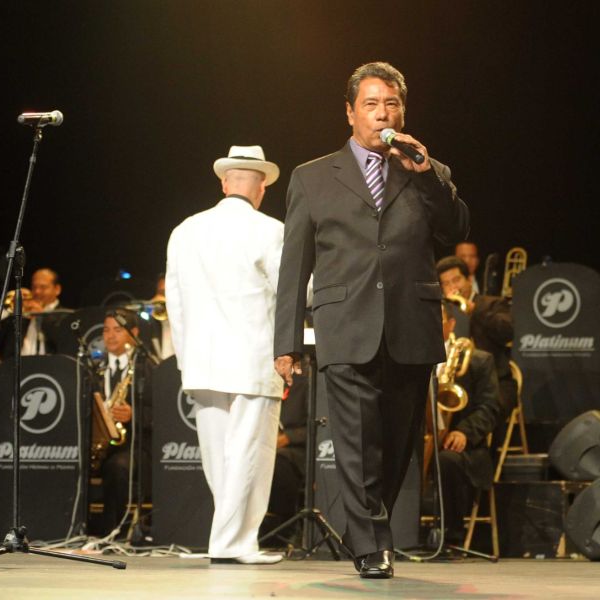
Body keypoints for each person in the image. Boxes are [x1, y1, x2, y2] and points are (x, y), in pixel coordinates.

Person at [274, 61, 469, 578]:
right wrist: (286, 342)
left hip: (411, 325)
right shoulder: (312, 177)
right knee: (357, 443)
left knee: (397, 445)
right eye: (371, 104)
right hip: (345, 325)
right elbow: (294, 267)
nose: (382, 113)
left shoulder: (426, 170)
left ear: (402, 112)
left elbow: (456, 230)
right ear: (350, 112)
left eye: (391, 104)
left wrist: (428, 176)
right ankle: (370, 544)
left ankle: (370, 529)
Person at [166, 145, 285, 565]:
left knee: (220, 458)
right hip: (252, 357)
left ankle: (229, 538)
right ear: (261, 187)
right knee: (250, 454)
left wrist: (185, 359)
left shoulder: (185, 230)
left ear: (224, 184)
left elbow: (174, 303)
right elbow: (293, 293)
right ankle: (233, 542)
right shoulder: (271, 230)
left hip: (202, 359)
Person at [431, 304, 501, 547]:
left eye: (437, 318)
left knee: (447, 460)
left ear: (451, 324)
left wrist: (464, 431)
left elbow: (490, 408)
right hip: (422, 442)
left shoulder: (478, 361)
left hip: (463, 448)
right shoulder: (410, 360)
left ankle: (450, 535)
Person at [90, 308, 154, 537]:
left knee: (117, 467)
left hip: (135, 446)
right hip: (99, 443)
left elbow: (159, 413)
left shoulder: (147, 368)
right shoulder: (94, 368)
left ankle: (113, 532)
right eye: (106, 330)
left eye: (117, 330)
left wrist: (133, 415)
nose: (110, 335)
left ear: (134, 333)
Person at [436, 255, 516, 420]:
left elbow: (508, 332)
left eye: (456, 280)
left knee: (482, 414)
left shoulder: (492, 303)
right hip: (457, 383)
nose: (453, 287)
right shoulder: (443, 312)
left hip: (494, 383)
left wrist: (475, 310)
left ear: (469, 280)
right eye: (446, 283)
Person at [259, 373, 308, 545]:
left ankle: (280, 530)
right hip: (265, 448)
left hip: (297, 452)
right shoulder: (263, 385)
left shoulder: (305, 386)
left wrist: (287, 437)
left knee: (276, 464)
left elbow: (315, 426)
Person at [0, 268, 68, 358]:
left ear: (57, 289)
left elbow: (62, 341)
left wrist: (41, 316)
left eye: (43, 287)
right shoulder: (25, 313)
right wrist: (13, 311)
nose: (37, 291)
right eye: (34, 287)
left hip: (48, 365)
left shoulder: (66, 315)